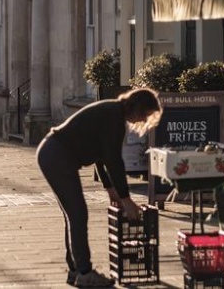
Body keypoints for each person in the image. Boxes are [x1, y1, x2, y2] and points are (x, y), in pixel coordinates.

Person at [37, 87, 163, 288]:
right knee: (78, 214)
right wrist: (126, 199)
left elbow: (101, 155)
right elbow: (113, 160)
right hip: (57, 156)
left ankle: (75, 270)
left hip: (52, 153)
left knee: (73, 215)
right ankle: (84, 273)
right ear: (137, 107)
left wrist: (110, 188)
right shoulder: (114, 118)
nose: (143, 120)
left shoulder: (112, 111)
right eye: (144, 115)